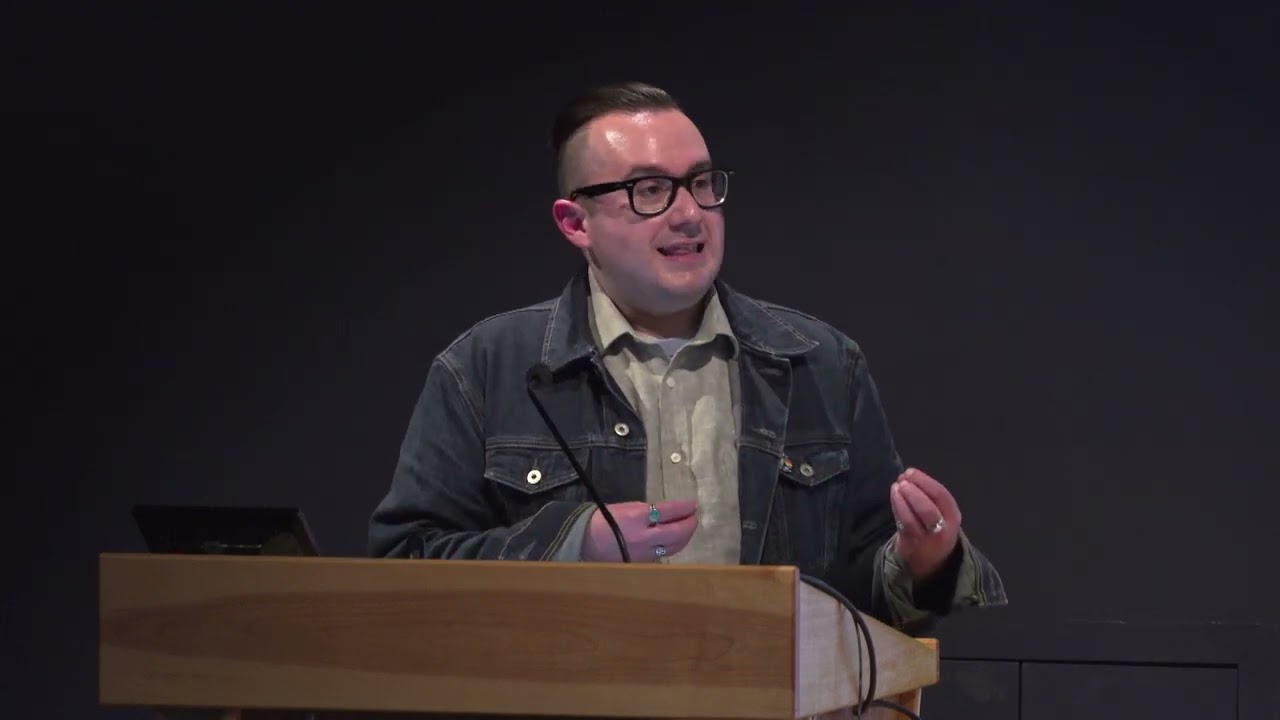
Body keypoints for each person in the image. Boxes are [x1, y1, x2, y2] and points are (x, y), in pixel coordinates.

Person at [368, 81, 1006, 634]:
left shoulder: (822, 365)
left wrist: (923, 560)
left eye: (701, 184)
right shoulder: (485, 368)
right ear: (574, 222)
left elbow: (865, 594)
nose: (690, 214)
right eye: (650, 189)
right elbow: (404, 566)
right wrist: (576, 544)